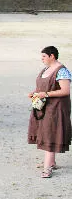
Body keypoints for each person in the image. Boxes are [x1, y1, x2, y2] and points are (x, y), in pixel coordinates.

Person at [27, 46, 71, 178]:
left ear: (52, 56)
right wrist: (35, 93)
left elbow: (65, 90)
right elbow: (42, 87)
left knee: (51, 134)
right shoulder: (46, 69)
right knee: (46, 132)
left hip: (57, 108)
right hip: (44, 107)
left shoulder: (61, 70)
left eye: (44, 56)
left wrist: (45, 94)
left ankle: (47, 168)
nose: (42, 59)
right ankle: (51, 162)